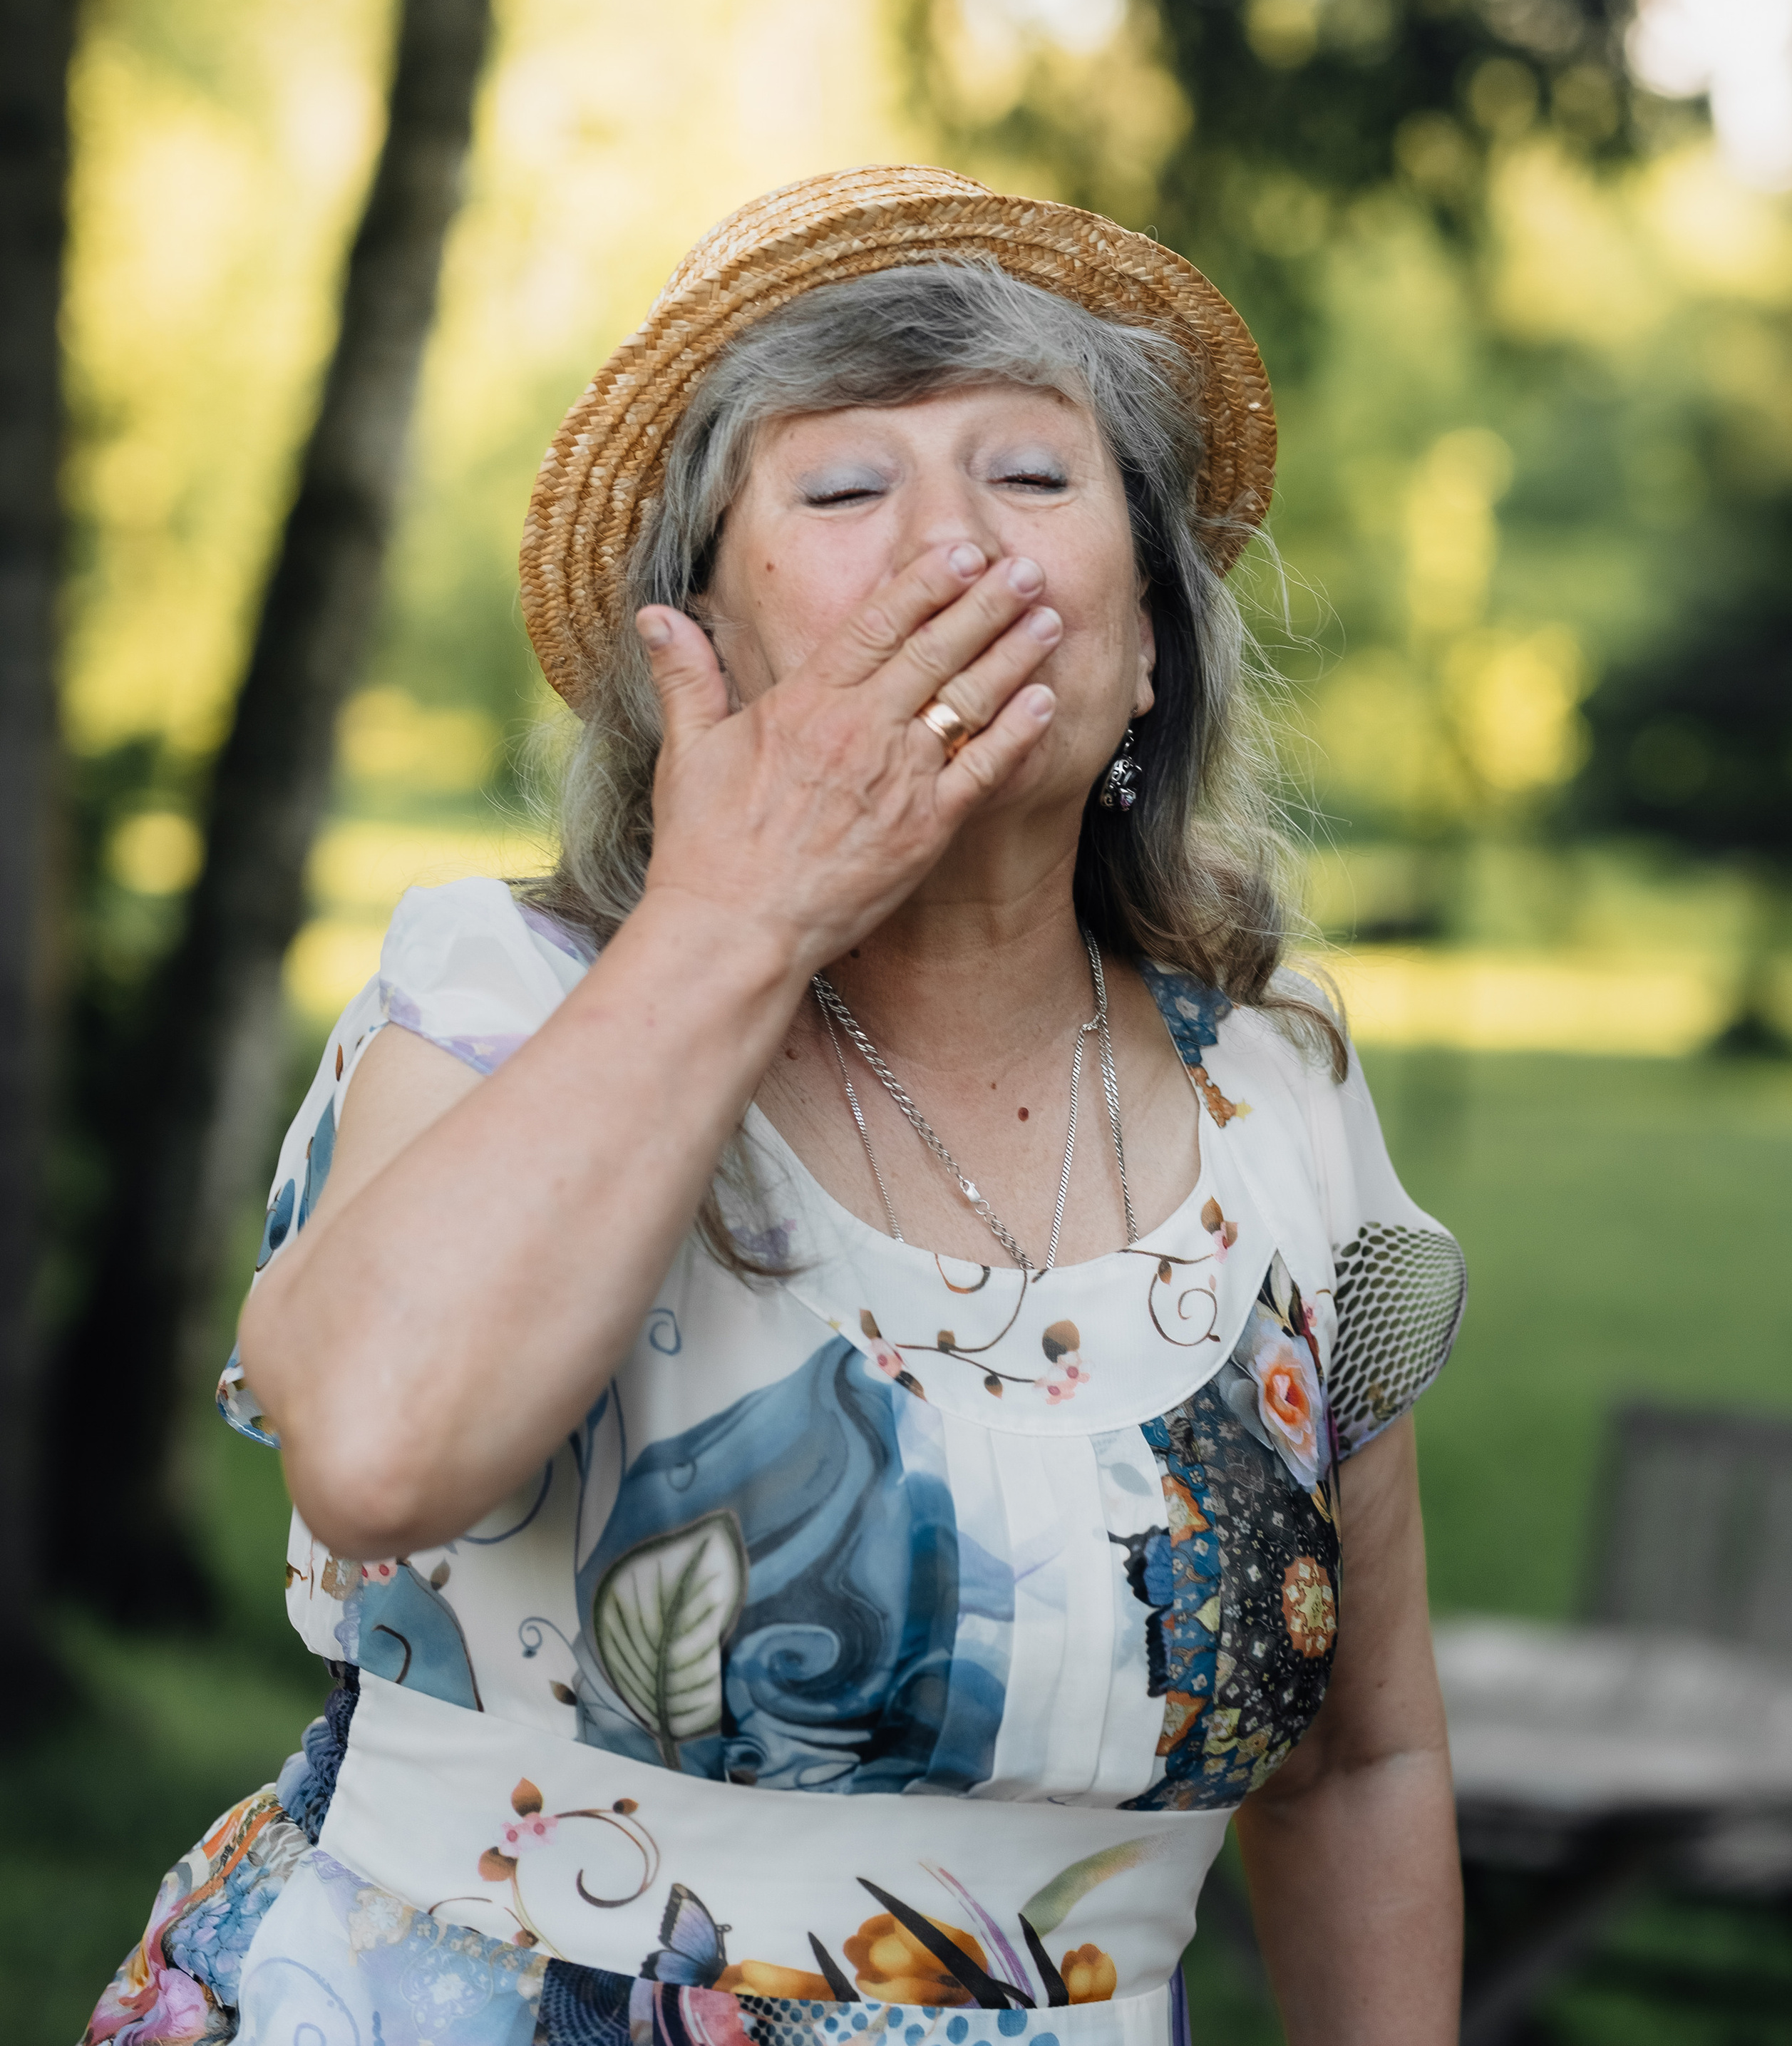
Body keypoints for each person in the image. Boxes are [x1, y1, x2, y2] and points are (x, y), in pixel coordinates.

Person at [88, 165, 1467, 2046]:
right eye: (842, 488)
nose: (951, 547)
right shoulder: (504, 992)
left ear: (1151, 639)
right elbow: (381, 1455)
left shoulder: (1285, 1084)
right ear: (699, 659)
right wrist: (740, 909)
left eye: (1033, 476)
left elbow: (1363, 1760)